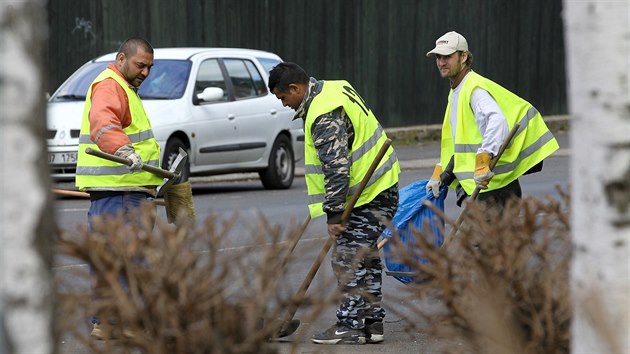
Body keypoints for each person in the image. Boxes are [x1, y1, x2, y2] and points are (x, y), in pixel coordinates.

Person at [268, 62, 400, 345]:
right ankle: (372, 323)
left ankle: (350, 326)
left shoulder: (322, 114)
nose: (285, 105)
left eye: (283, 98)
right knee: (365, 255)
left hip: (368, 194)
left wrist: (334, 214)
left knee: (346, 257)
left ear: (295, 89)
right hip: (381, 186)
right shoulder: (334, 87)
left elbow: (336, 168)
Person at [75, 36, 163, 339]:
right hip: (121, 190)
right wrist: (123, 150)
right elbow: (103, 122)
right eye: (141, 65)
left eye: (150, 67)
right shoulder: (111, 84)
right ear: (121, 58)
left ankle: (109, 321)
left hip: (120, 190)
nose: (145, 72)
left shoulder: (125, 87)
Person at [425, 31, 559, 214]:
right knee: (501, 242)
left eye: (447, 56)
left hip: (491, 191)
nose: (441, 62)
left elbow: (497, 121)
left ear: (463, 56)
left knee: (485, 242)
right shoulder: (458, 90)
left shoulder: (474, 88)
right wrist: (442, 172)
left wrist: (483, 160)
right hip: (488, 188)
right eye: (438, 57)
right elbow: (459, 143)